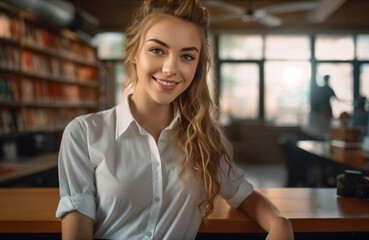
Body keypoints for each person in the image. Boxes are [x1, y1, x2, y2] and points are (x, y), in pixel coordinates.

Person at [55, 0, 293, 239]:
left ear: (198, 67)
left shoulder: (205, 140)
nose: (170, 68)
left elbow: (244, 195)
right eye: (157, 50)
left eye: (187, 56)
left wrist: (279, 223)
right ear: (134, 53)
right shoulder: (83, 133)